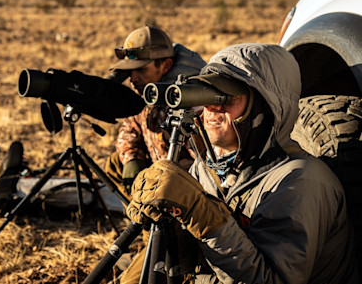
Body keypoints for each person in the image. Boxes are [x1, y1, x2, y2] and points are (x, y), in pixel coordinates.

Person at [124, 43, 359, 283]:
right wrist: (168, 225)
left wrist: (205, 217)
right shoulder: (209, 166)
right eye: (206, 94)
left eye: (226, 96)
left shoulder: (299, 183)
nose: (213, 107)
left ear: (263, 107)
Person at [104, 25, 206, 198]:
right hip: (159, 174)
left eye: (141, 69)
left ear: (166, 66)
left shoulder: (190, 100)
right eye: (130, 71)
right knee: (116, 163)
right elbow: (130, 128)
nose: (133, 78)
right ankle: (142, 219)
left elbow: (208, 165)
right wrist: (132, 159)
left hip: (187, 186)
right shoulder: (145, 92)